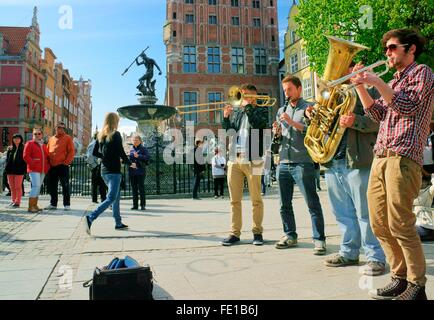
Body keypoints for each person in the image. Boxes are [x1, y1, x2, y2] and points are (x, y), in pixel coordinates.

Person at [351, 28, 433, 300]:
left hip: (403, 157)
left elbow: (408, 107)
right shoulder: (395, 80)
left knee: (401, 224)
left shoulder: (422, 73)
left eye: (393, 47)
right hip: (381, 156)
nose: (387, 52)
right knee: (379, 224)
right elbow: (378, 114)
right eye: (386, 48)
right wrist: (361, 87)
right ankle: (399, 277)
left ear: (410, 49)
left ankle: (416, 285)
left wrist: (376, 82)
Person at [306, 64, 387, 275]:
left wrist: (356, 120)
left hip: (358, 160)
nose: (339, 71)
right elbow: (322, 124)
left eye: (346, 67)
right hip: (332, 160)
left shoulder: (370, 89)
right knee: (342, 213)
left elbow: (382, 121)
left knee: (365, 213)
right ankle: (349, 252)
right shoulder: (331, 93)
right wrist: (312, 115)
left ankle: (375, 257)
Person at [272, 75, 326, 255]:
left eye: (290, 90)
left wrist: (290, 122)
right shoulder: (281, 110)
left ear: (299, 89)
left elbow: (312, 130)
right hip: (283, 162)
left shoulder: (310, 107)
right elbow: (279, 139)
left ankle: (319, 239)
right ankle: (290, 234)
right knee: (283, 204)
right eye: (284, 90)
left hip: (303, 162)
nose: (286, 93)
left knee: (312, 203)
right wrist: (277, 132)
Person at [221, 83, 269, 246]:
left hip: (254, 158)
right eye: (242, 95)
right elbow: (229, 133)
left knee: (256, 198)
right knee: (234, 200)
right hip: (235, 159)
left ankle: (257, 232)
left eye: (246, 95)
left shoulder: (262, 110)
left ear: (254, 96)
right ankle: (234, 233)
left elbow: (258, 125)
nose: (243, 98)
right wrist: (226, 117)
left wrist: (249, 107)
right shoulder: (238, 112)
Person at [84, 112, 132, 234]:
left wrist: (104, 157)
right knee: (111, 198)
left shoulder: (101, 135)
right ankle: (91, 217)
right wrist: (129, 163)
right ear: (115, 121)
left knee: (116, 197)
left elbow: (95, 153)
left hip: (104, 170)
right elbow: (121, 151)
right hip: (114, 171)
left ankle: (118, 223)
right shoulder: (116, 134)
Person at [45, 122, 75, 211]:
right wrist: (48, 162)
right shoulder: (51, 139)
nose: (60, 129)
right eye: (59, 127)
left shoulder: (68, 138)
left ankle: (67, 204)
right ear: (55, 128)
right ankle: (53, 204)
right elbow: (47, 151)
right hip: (52, 166)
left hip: (63, 165)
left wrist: (66, 162)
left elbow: (71, 151)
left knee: (65, 185)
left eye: (62, 128)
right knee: (52, 186)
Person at [23, 128, 50, 213]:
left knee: (38, 187)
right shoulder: (29, 143)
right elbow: (25, 156)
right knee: (35, 186)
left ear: (41, 135)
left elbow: (47, 157)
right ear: (33, 135)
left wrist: (47, 166)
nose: (37, 135)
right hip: (34, 169)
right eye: (35, 134)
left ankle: (35, 205)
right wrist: (33, 164)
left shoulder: (44, 145)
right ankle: (30, 206)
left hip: (42, 170)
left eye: (39, 134)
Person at [4, 134, 27, 208]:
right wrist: (6, 169)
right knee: (12, 187)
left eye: (18, 138)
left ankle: (18, 202)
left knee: (18, 186)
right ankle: (13, 201)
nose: (16, 140)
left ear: (21, 140)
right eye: (14, 138)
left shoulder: (23, 148)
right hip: (10, 171)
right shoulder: (10, 149)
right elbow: (7, 160)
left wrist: (24, 169)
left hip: (19, 171)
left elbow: (25, 160)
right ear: (12, 140)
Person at [129, 134, 150, 210]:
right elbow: (128, 158)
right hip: (132, 172)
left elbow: (147, 157)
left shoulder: (143, 149)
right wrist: (129, 163)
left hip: (141, 171)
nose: (135, 141)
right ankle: (135, 205)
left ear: (140, 141)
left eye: (136, 140)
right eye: (134, 140)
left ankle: (143, 205)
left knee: (141, 188)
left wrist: (139, 156)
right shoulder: (131, 149)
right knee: (134, 189)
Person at [86, 132, 107, 204]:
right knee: (101, 183)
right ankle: (102, 199)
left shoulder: (92, 143)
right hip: (97, 166)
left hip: (95, 165)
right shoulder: (95, 144)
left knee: (95, 183)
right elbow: (90, 156)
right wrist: (96, 165)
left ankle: (96, 199)